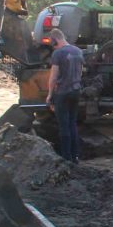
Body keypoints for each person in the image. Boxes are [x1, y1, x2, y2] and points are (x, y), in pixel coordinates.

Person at [45, 28, 84, 163]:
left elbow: (53, 76)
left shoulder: (58, 53)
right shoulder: (78, 51)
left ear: (55, 39)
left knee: (64, 125)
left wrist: (50, 95)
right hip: (76, 91)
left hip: (62, 92)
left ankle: (66, 157)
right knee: (72, 123)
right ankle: (75, 156)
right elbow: (80, 73)